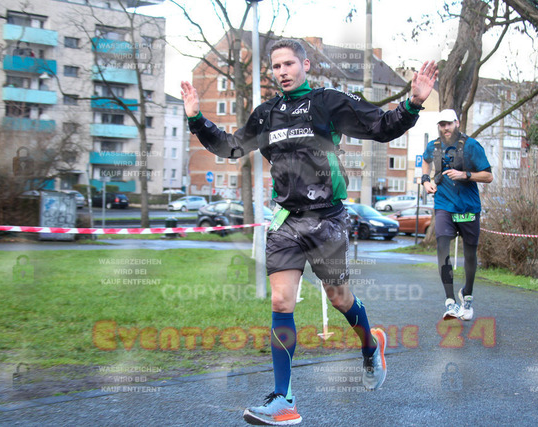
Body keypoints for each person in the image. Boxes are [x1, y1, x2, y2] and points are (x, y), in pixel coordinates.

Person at [181, 39, 437, 426]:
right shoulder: (266, 114)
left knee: (339, 298)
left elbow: (380, 127)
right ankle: (284, 400)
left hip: (326, 219)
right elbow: (232, 148)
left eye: (289, 63)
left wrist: (413, 103)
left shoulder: (327, 102)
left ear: (305, 64)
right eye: (276, 66)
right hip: (286, 220)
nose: (282, 71)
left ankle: (371, 345)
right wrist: (197, 119)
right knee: (281, 301)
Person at [421, 109, 493, 321]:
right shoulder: (433, 146)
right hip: (444, 205)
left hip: (468, 207)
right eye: (442, 124)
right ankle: (450, 302)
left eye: (449, 124)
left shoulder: (472, 146)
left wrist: (465, 174)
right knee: (442, 247)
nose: (445, 128)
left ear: (457, 123)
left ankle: (467, 296)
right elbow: (425, 161)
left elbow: (488, 176)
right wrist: (425, 181)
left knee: (470, 253)